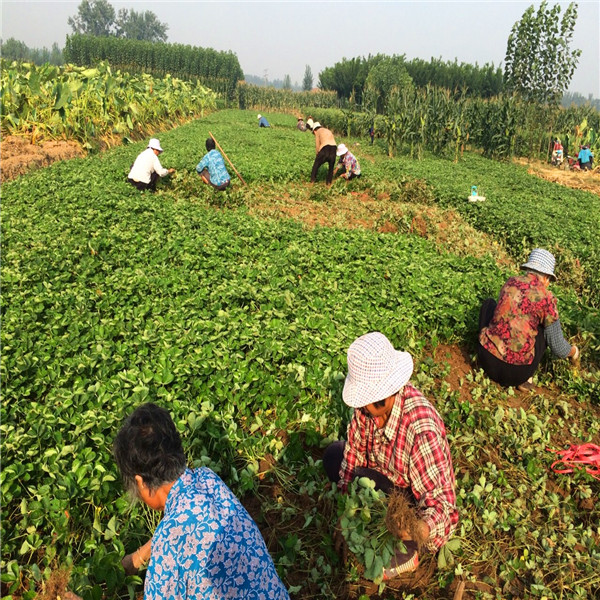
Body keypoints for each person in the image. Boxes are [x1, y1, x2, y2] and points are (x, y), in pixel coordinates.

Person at [114, 403, 290, 599]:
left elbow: (173, 537)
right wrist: (138, 557)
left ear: (141, 483)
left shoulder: (168, 548)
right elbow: (181, 529)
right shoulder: (207, 479)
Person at [323, 332, 458, 579]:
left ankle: (410, 548)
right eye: (363, 403)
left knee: (389, 550)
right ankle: (388, 527)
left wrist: (417, 528)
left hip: (409, 500)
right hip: (379, 479)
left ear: (391, 390)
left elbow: (443, 505)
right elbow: (353, 457)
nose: (365, 409)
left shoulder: (421, 429)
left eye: (372, 402)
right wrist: (346, 510)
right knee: (334, 456)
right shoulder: (365, 410)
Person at [478, 248, 579, 392]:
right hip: (517, 373)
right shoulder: (546, 298)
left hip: (487, 360)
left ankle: (487, 347)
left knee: (489, 304)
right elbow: (558, 347)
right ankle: (527, 379)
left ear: (529, 269)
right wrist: (574, 352)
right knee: (544, 329)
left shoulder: (511, 282)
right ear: (545, 277)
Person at [306, 120, 337, 184]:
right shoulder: (328, 130)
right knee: (331, 168)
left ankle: (312, 181)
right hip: (334, 148)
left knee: (316, 165)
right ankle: (328, 183)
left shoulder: (318, 132)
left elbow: (317, 145)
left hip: (325, 147)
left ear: (314, 130)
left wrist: (317, 155)